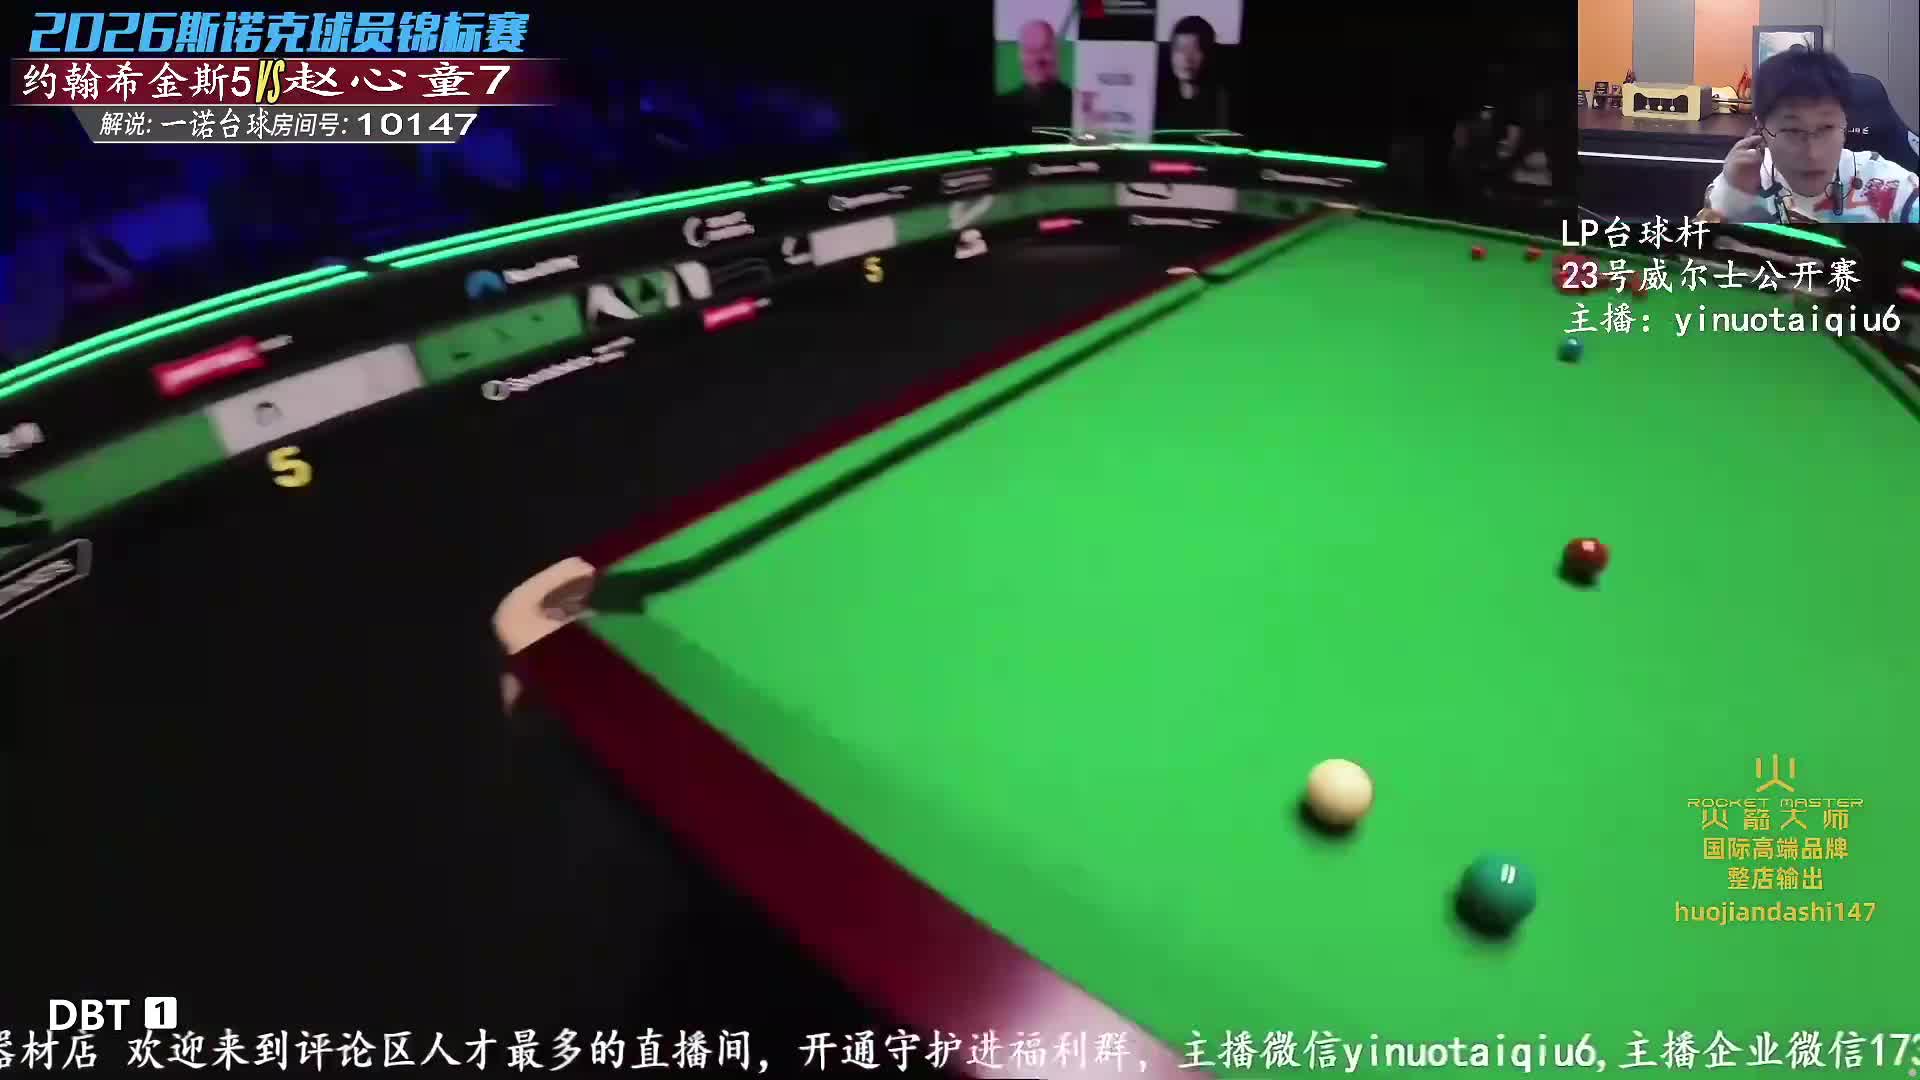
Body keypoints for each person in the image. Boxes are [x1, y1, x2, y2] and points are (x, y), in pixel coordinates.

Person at [1704, 48, 1919, 224]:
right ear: (1762, 130)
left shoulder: (1891, 187)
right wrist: (1734, 196)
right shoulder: (1739, 181)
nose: (1812, 154)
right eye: (1792, 131)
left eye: (1826, 128)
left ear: (1845, 123)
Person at [996, 19, 1072, 136]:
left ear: (1056, 52)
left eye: (1045, 49)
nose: (1038, 59)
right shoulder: (1001, 108)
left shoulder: (1077, 106)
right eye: (1030, 51)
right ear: (1020, 55)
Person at [1155, 15, 1229, 132]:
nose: (1187, 58)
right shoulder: (1157, 101)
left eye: (1196, 49)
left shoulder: (1222, 104)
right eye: (1180, 49)